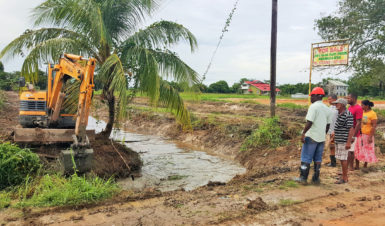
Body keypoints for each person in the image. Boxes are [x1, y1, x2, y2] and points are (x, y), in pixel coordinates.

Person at [296, 87, 331, 184]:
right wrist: (323, 134)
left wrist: (303, 133)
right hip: (321, 137)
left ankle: (303, 178)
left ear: (316, 96)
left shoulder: (313, 107)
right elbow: (328, 125)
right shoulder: (327, 109)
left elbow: (309, 122)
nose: (310, 98)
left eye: (311, 96)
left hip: (311, 136)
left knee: (306, 157)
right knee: (318, 158)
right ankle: (316, 179)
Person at [333, 98, 354, 184]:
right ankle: (343, 175)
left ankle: (345, 178)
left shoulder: (347, 114)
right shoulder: (340, 114)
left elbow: (351, 129)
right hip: (339, 139)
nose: (335, 105)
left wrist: (348, 142)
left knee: (343, 159)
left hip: (343, 140)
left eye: (337, 103)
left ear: (341, 104)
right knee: (341, 159)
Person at [355, 100, 378, 168]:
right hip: (360, 134)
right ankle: (357, 165)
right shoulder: (362, 112)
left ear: (367, 106)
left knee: (367, 149)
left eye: (362, 105)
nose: (361, 106)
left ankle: (365, 165)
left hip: (367, 135)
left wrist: (370, 136)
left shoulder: (372, 114)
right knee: (357, 149)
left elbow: (374, 126)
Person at [347, 93, 363, 170]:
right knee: (349, 150)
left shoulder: (358, 108)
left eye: (349, 98)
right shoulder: (349, 107)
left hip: (354, 132)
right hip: (349, 131)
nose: (347, 99)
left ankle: (351, 167)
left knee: (351, 150)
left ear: (354, 98)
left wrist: (353, 135)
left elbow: (358, 123)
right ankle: (350, 166)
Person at [325, 94, 338, 167]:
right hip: (330, 131)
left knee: (334, 146)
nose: (328, 101)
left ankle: (334, 162)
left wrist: (335, 130)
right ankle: (333, 162)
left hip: (335, 131)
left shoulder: (338, 108)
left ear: (334, 99)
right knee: (332, 146)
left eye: (329, 99)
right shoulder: (330, 108)